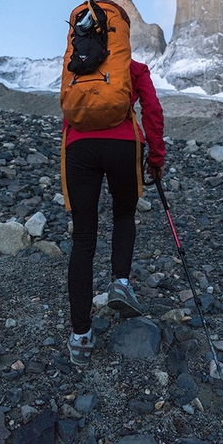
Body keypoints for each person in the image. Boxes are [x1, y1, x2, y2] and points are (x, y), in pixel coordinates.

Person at [64, 57, 165, 366]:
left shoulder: (74, 65)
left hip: (79, 146)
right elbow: (152, 110)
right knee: (123, 215)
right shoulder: (132, 66)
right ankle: (120, 283)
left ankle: (81, 337)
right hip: (123, 144)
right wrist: (156, 157)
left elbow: (67, 108)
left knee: (83, 238)